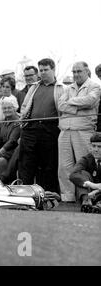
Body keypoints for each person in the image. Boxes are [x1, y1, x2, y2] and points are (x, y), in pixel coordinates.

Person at [18, 58, 64, 194]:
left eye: (46, 70)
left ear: (53, 70)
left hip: (50, 128)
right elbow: (25, 106)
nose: (43, 73)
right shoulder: (34, 86)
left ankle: (47, 194)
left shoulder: (61, 88)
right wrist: (23, 121)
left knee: (48, 164)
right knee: (26, 162)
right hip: (31, 128)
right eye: (41, 70)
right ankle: (23, 193)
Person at [57, 61, 100, 202]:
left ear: (87, 72)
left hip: (83, 130)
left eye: (79, 71)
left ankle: (87, 197)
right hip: (65, 130)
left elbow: (91, 101)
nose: (76, 74)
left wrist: (71, 102)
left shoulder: (94, 86)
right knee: (64, 166)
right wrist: (77, 107)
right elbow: (60, 104)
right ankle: (67, 197)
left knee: (84, 166)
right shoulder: (68, 88)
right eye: (74, 72)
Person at [69, 132, 101, 212]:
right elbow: (73, 174)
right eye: (94, 146)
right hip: (90, 194)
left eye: (99, 147)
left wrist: (97, 190)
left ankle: (98, 205)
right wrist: (92, 185)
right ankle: (86, 202)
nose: (96, 150)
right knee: (82, 174)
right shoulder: (87, 158)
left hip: (97, 193)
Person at [0, 99, 20, 178]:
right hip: (2, 149)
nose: (7, 110)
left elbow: (12, 141)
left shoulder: (18, 122)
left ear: (15, 108)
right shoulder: (0, 123)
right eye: (4, 108)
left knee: (1, 160)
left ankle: (5, 181)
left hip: (14, 149)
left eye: (9, 108)